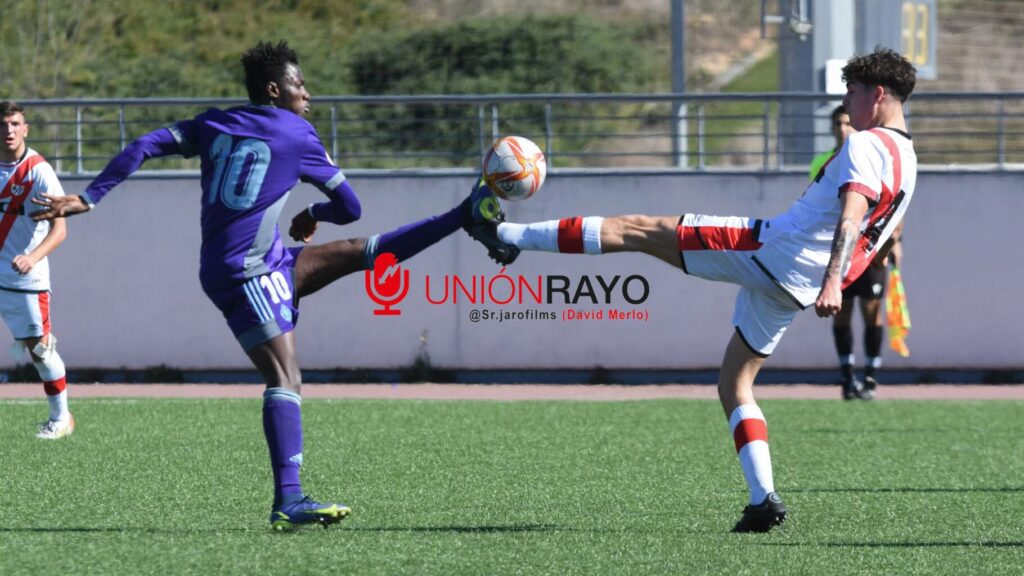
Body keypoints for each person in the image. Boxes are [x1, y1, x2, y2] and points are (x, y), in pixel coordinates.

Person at [31, 41, 510, 530]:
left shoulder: (211, 122)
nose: (308, 93)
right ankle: (289, 499)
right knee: (286, 376)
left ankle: (462, 214)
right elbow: (349, 206)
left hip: (257, 261)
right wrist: (313, 211)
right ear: (275, 89)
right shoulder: (297, 132)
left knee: (361, 253)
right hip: (248, 270)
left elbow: (143, 145)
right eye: (300, 84)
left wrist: (90, 197)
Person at [467, 47, 918, 532]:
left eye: (851, 93)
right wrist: (826, 279)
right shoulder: (908, 158)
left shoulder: (866, 144)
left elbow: (853, 214)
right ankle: (763, 499)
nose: (846, 106)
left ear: (878, 94)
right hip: (796, 284)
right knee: (734, 383)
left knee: (637, 230)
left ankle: (505, 236)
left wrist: (833, 278)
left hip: (774, 250)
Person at [809, 105, 902, 401]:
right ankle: (847, 377)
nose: (842, 129)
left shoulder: (871, 155)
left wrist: (894, 241)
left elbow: (893, 201)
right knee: (841, 311)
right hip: (840, 249)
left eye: (847, 123)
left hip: (870, 246)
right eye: (837, 124)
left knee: (872, 311)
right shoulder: (822, 162)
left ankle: (871, 376)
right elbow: (818, 203)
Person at [0, 101, 72, 440]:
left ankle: (61, 418)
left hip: (24, 280)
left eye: (15, 124)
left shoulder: (38, 171)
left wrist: (32, 257)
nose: (9, 130)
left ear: (25, 129)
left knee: (41, 350)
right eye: (3, 124)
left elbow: (60, 230)